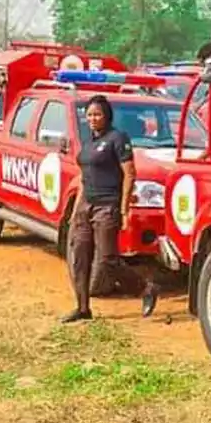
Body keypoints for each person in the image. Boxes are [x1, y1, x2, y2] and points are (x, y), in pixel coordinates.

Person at [65, 95, 145, 322]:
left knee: (108, 260)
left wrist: (123, 209)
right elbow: (83, 178)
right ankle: (82, 308)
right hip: (85, 206)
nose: (92, 118)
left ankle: (145, 288)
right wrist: (74, 212)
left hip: (107, 206)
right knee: (80, 256)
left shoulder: (117, 139)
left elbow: (130, 173)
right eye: (89, 114)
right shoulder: (88, 142)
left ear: (106, 116)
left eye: (97, 114)